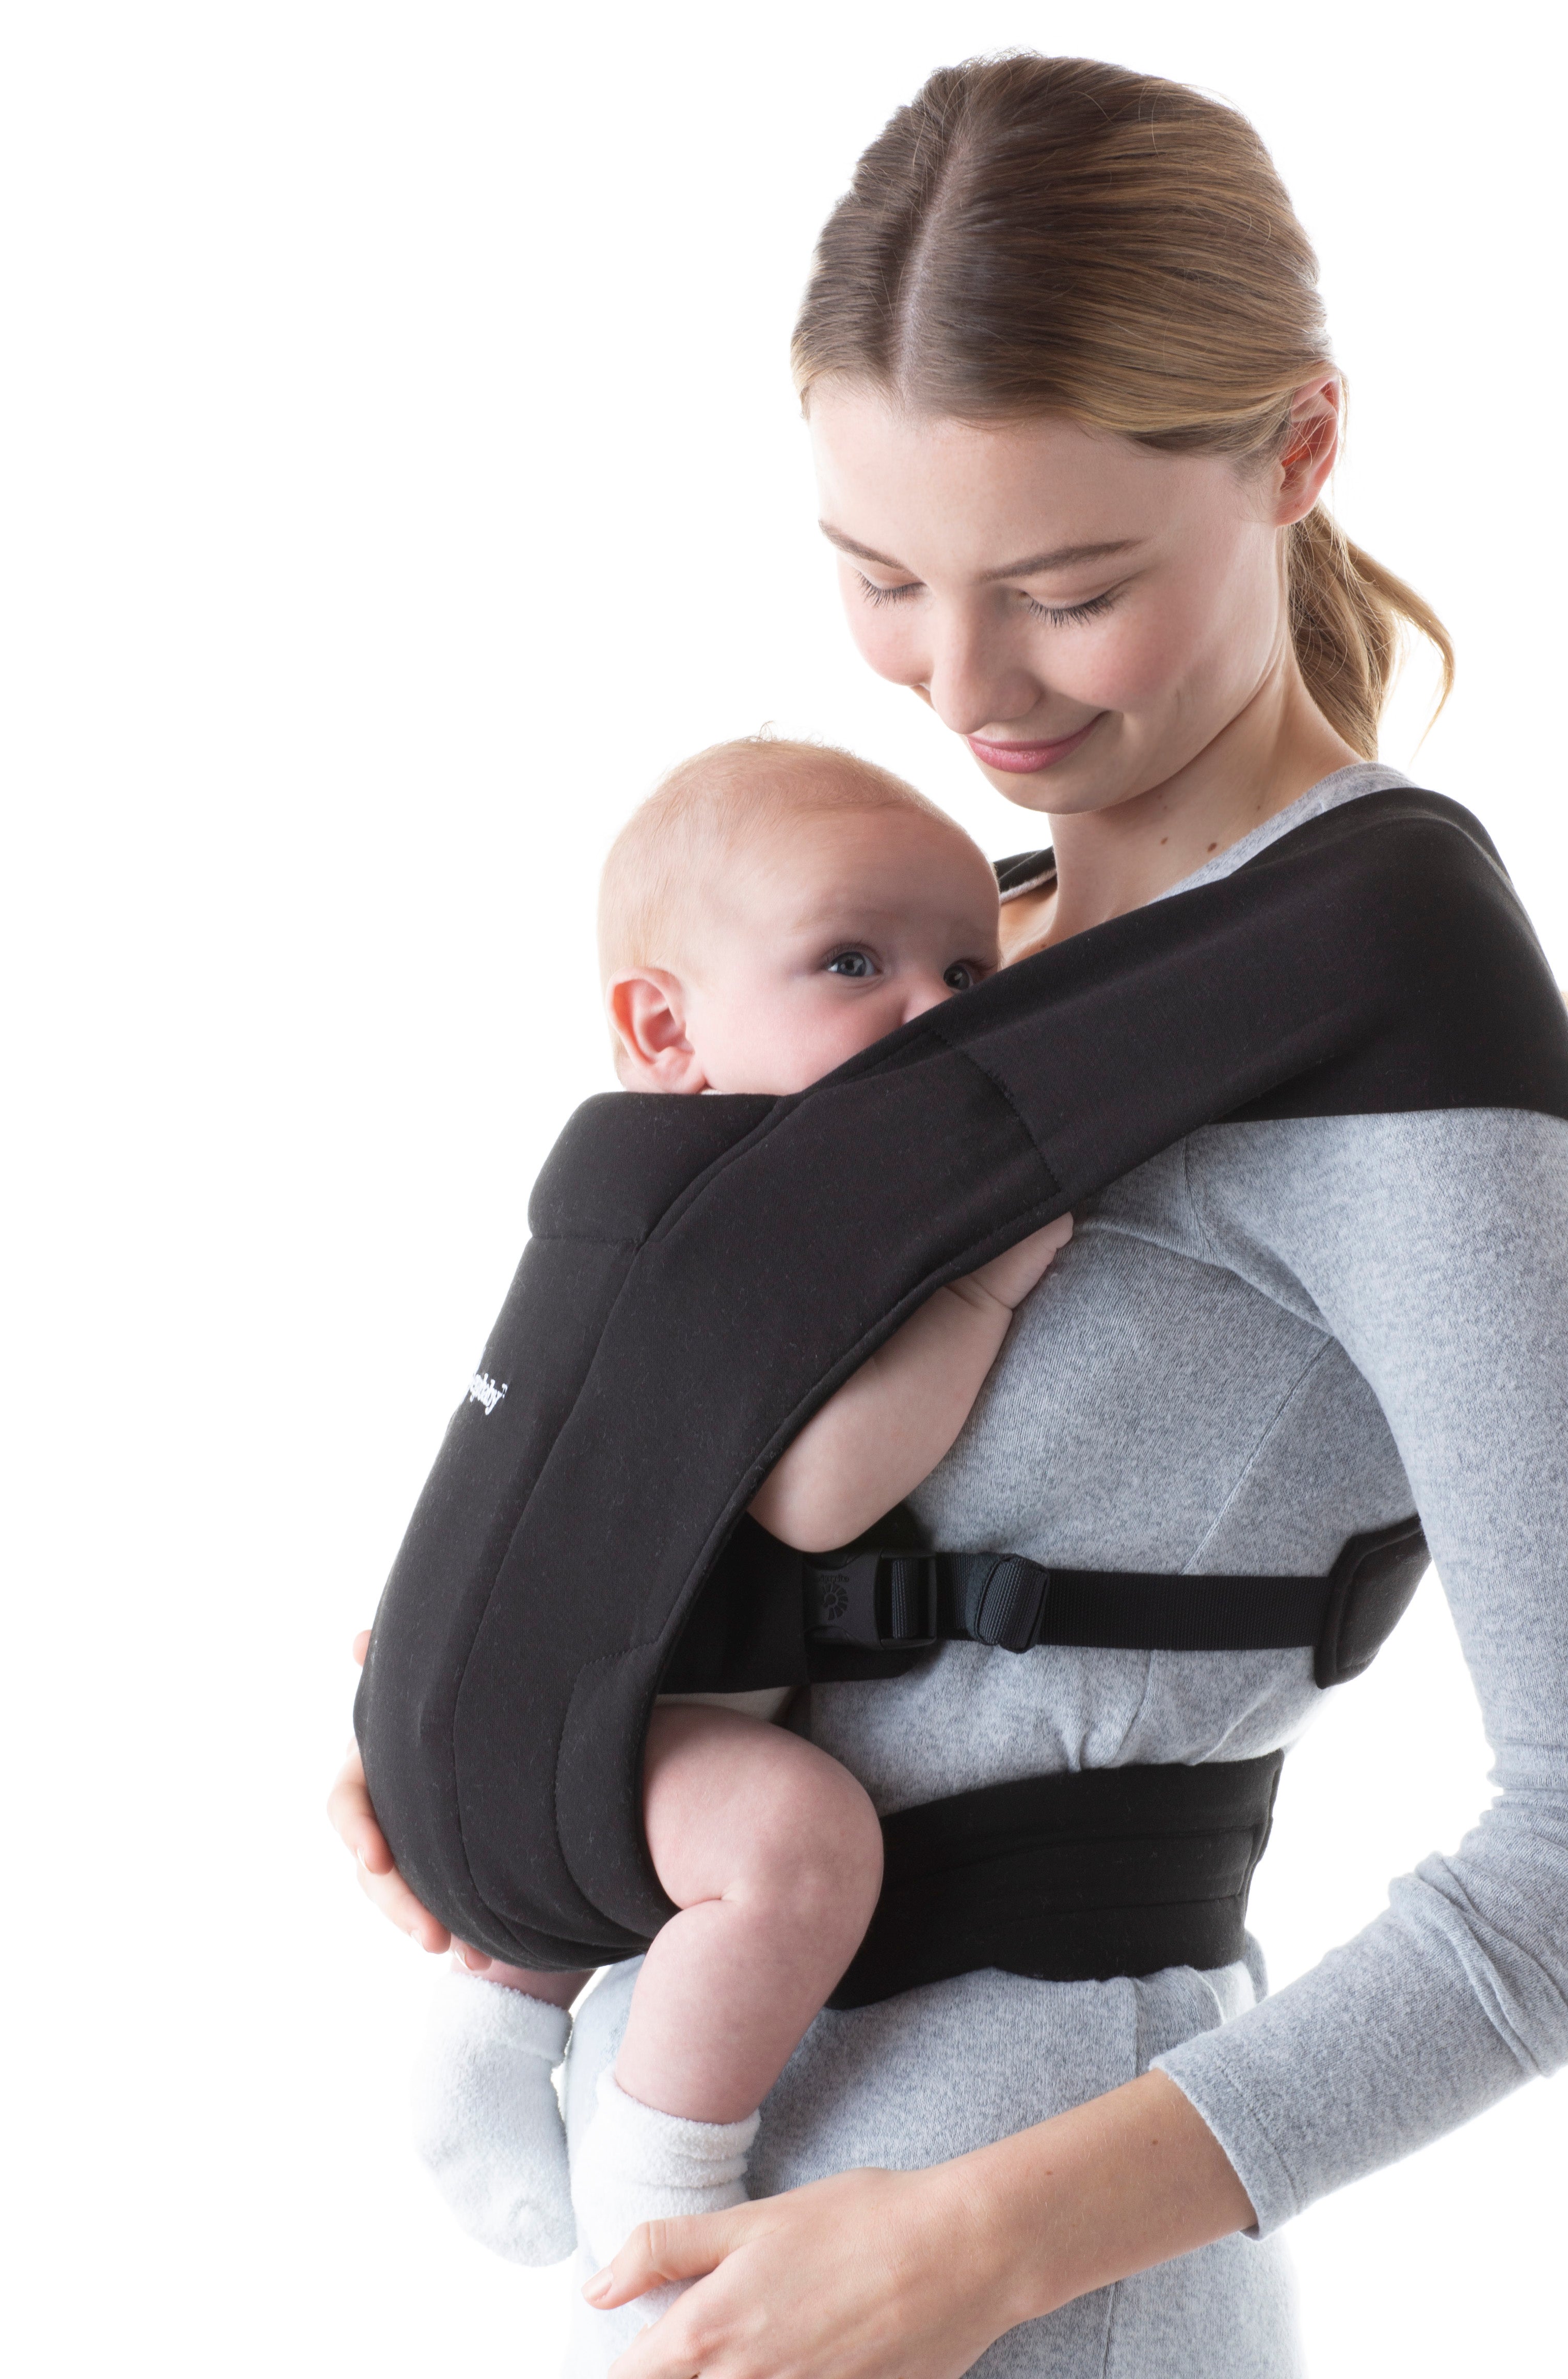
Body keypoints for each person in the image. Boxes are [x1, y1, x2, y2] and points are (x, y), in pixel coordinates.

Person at [331, 54, 1568, 2377]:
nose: (962, 691)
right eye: (880, 582)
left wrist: (985, 2244)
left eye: (1067, 594)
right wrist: (520, 1735)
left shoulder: (1385, 1028)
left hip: (1011, 2292)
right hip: (721, 2238)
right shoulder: (921, 967)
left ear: (1298, 452)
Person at [407, 735, 1069, 2358]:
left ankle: (487, 2037)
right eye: (855, 962)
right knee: (797, 1849)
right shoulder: (753, 1215)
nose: (935, 1010)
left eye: (970, 968)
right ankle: (664, 2172)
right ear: (664, 1028)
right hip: (596, 1734)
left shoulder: (623, 1199)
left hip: (488, 1713)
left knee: (651, 1782)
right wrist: (986, 1285)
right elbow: (819, 1500)